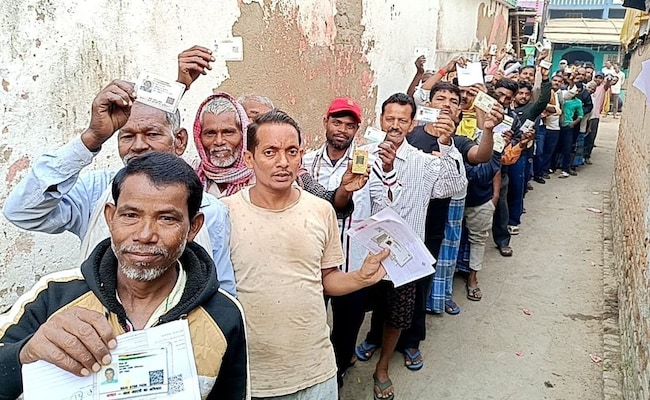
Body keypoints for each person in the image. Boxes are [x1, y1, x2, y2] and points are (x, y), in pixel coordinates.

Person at [0, 152, 248, 400]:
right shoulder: (54, 296)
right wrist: (25, 353)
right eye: (130, 215)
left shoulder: (223, 314)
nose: (144, 234)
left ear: (193, 227)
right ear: (110, 217)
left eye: (166, 218)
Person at [2, 80, 237, 297]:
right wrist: (92, 137)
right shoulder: (95, 191)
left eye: (151, 134)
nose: (138, 146)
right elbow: (22, 212)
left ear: (180, 140)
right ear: (111, 214)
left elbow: (221, 290)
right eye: (127, 136)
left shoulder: (211, 210)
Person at [221, 110, 390, 400]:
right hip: (255, 376)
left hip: (317, 371)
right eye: (270, 152)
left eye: (291, 151)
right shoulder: (224, 213)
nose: (282, 162)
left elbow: (327, 279)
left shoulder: (320, 210)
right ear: (249, 158)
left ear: (301, 155)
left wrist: (361, 278)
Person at [354, 93, 469, 399]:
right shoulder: (363, 154)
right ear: (380, 119)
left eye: (402, 120)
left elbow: (455, 188)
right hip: (363, 254)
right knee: (361, 306)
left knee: (399, 314)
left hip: (404, 257)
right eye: (389, 119)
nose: (394, 125)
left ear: (412, 123)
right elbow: (363, 198)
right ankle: (358, 346)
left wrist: (446, 144)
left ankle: (383, 367)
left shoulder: (422, 161)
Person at [302, 97, 382, 387]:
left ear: (356, 130)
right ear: (325, 122)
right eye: (337, 122)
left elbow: (382, 206)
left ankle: (336, 376)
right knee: (311, 324)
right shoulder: (305, 162)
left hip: (352, 264)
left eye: (350, 125)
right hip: (312, 263)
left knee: (347, 329)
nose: (342, 130)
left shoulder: (369, 165)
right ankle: (315, 371)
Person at [192, 92, 357, 218]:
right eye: (210, 133)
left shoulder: (289, 174)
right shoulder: (193, 175)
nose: (219, 141)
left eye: (228, 132)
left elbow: (326, 202)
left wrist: (344, 189)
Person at [533, 74, 565, 183]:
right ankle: (540, 171)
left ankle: (545, 170)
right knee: (541, 151)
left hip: (556, 127)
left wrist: (556, 110)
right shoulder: (547, 93)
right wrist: (555, 110)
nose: (556, 83)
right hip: (546, 125)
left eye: (559, 81)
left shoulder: (559, 95)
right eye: (554, 80)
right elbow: (544, 105)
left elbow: (560, 110)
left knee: (549, 151)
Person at [584, 73, 612, 164]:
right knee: (583, 136)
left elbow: (608, 84)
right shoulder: (589, 86)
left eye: (600, 78)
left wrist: (608, 80)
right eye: (597, 77)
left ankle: (587, 155)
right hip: (585, 115)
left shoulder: (603, 87)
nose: (598, 79)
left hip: (595, 116)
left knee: (591, 137)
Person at [557, 85, 584, 178]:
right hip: (557, 125)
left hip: (567, 126)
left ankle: (565, 168)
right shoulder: (562, 98)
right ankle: (553, 166)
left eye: (576, 91)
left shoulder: (578, 102)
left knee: (567, 148)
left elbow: (580, 115)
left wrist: (573, 123)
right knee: (555, 147)